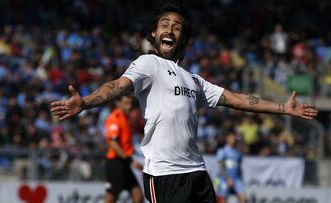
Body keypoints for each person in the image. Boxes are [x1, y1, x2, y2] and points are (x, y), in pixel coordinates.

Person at [51, 3, 318, 202]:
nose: (170, 29)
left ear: (184, 39)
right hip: (165, 175)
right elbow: (116, 86)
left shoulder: (194, 80)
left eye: (176, 27)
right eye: (164, 24)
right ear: (154, 34)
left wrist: (283, 108)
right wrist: (85, 102)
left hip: (197, 171)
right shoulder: (148, 64)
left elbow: (237, 99)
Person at [103, 94, 143, 203]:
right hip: (115, 163)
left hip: (126, 162)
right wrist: (129, 160)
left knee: (138, 194)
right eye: (126, 103)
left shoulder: (126, 119)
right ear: (118, 103)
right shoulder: (114, 118)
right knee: (111, 198)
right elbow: (113, 143)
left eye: (130, 103)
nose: (129, 106)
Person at [214, 131, 246, 203]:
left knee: (243, 199)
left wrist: (240, 178)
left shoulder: (238, 153)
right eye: (232, 137)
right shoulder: (222, 151)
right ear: (227, 138)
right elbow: (221, 166)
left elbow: (239, 167)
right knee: (223, 200)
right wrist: (227, 178)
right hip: (224, 179)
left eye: (234, 137)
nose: (234, 139)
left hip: (236, 179)